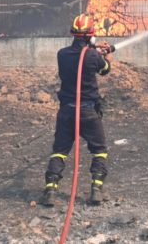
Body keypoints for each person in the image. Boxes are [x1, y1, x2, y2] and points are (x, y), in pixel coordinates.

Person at [40, 14, 115, 206]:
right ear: (91, 35)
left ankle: (50, 191)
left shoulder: (62, 54)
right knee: (99, 150)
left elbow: (80, 56)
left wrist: (93, 49)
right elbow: (105, 70)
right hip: (88, 112)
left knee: (59, 151)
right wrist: (107, 55)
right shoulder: (93, 56)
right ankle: (96, 189)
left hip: (67, 112)